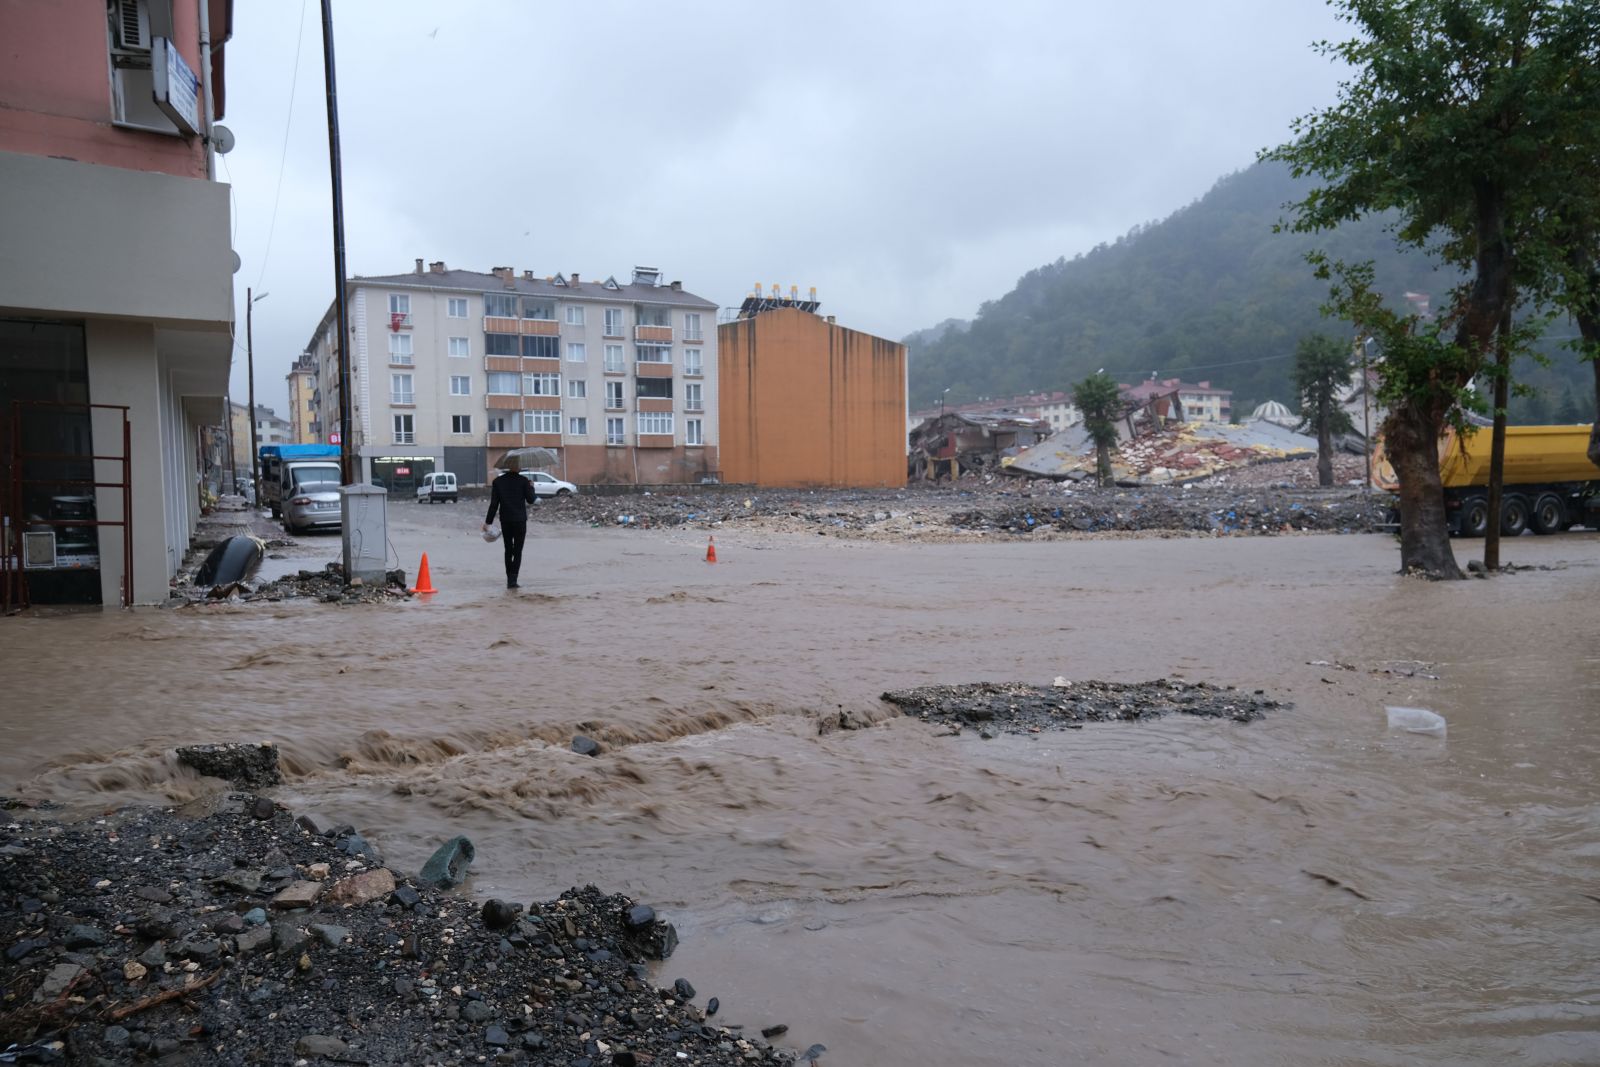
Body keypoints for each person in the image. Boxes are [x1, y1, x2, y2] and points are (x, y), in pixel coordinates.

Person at [483, 463, 537, 588]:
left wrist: (488, 523)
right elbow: (531, 500)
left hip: (506, 521)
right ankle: (513, 580)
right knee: (518, 551)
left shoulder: (498, 482)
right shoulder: (523, 481)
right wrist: (531, 487)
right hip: (520, 521)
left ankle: (509, 579)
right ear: (517, 467)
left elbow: (494, 505)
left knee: (508, 550)